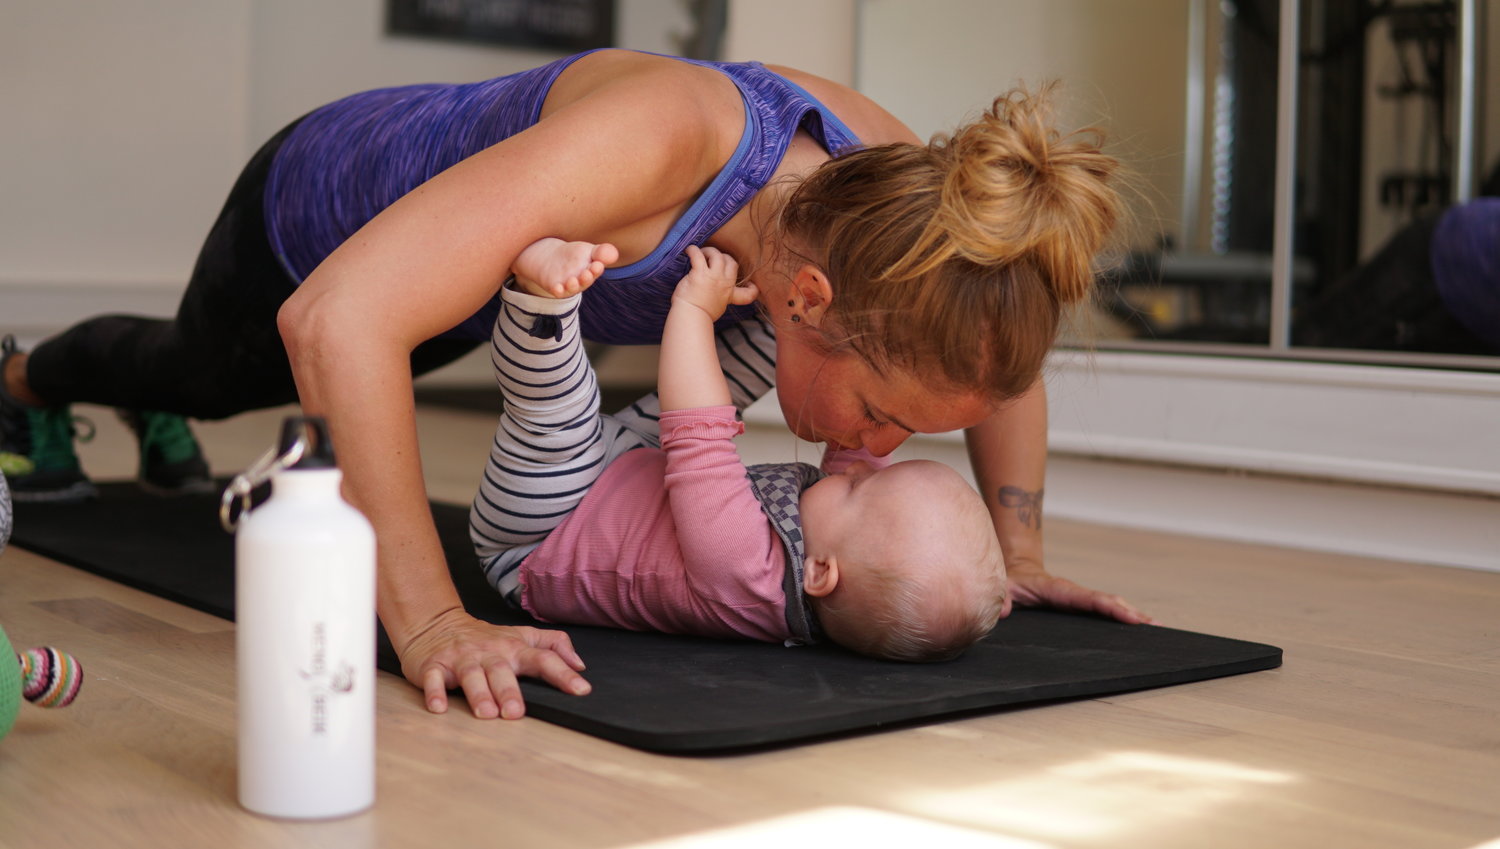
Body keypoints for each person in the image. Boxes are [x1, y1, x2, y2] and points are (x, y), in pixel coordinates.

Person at [0, 48, 1150, 720]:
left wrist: (1019, 549)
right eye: (884, 416)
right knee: (205, 380)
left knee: (403, 335)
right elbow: (341, 317)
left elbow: (998, 374)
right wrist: (434, 621)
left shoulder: (915, 212)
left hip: (476, 273)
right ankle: (24, 375)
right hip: (321, 213)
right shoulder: (668, 145)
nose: (882, 448)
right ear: (805, 303)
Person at [475, 238, 1005, 660]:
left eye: (856, 487)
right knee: (773, 350)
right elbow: (855, 452)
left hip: (546, 527)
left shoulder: (743, 573)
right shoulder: (835, 551)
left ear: (820, 572)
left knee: (556, 410)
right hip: (631, 477)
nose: (862, 465)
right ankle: (776, 307)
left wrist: (695, 310)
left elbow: (698, 433)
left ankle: (539, 300)